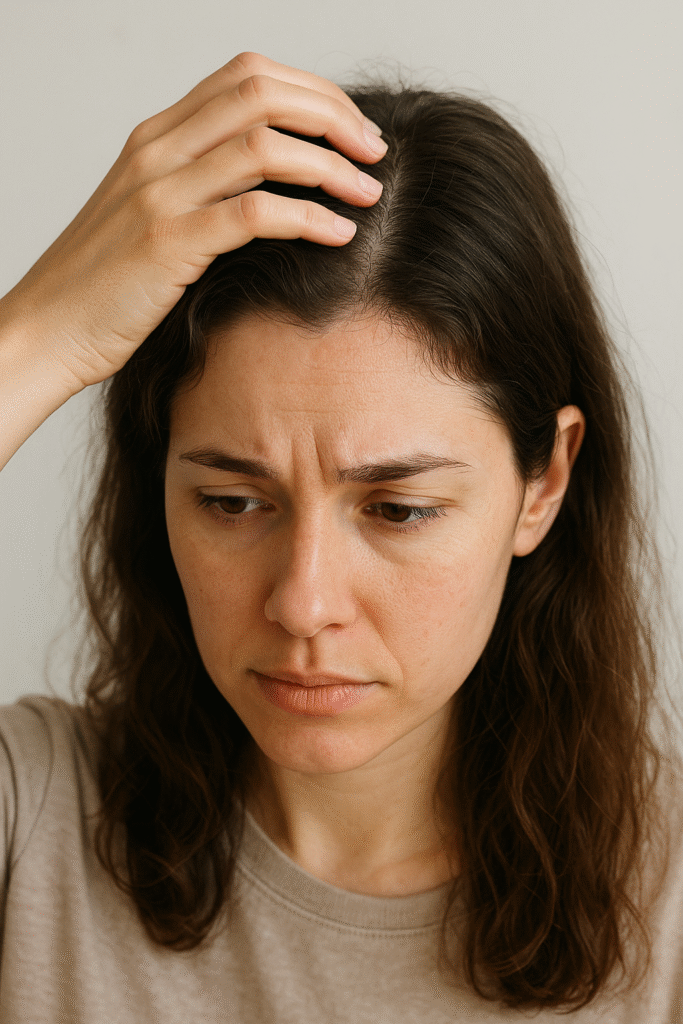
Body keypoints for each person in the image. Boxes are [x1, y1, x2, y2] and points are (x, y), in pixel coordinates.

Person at [0, 51, 681, 1022]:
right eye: (232, 502)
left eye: (397, 509)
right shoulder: (34, 824)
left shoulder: (667, 903)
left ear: (544, 483)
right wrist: (37, 336)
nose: (303, 602)